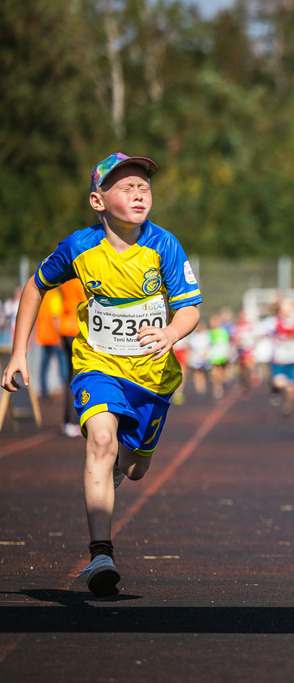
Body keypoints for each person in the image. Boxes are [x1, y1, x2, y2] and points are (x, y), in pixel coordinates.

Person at [1, 153, 201, 598]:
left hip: (152, 377)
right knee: (101, 440)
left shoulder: (164, 244)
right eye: (125, 186)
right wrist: (18, 354)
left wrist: (169, 332)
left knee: (135, 468)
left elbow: (190, 309)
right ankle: (101, 553)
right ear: (98, 200)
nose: (137, 192)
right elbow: (35, 285)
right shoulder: (78, 246)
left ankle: (115, 470)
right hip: (97, 364)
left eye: (144, 186)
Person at [58, 278, 88, 436]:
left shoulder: (65, 281)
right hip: (75, 328)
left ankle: (69, 421)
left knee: (71, 375)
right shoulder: (78, 281)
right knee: (76, 376)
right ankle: (72, 421)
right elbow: (87, 302)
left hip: (65, 327)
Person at [34, 286, 65, 400]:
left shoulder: (44, 295)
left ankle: (44, 393)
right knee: (63, 365)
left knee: (44, 366)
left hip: (44, 336)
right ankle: (66, 391)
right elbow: (55, 317)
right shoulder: (54, 295)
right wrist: (61, 337)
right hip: (54, 336)